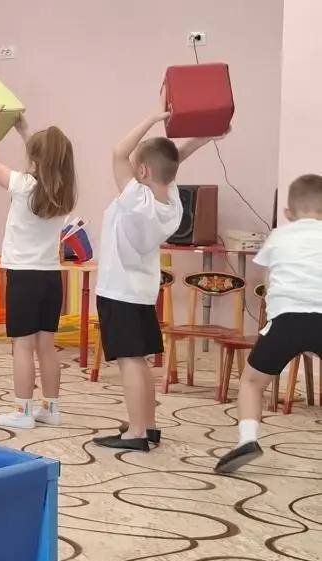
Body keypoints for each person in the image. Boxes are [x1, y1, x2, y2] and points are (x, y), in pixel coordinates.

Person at [92, 94, 216, 451]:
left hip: (119, 291)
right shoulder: (171, 203)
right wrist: (205, 136)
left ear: (143, 172)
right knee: (140, 360)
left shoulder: (137, 201)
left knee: (129, 361)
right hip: (142, 292)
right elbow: (171, 162)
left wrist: (152, 119)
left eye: (136, 166)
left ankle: (136, 433)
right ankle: (147, 426)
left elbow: (118, 152)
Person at [0, 102, 77, 429]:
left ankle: (23, 412)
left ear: (36, 158)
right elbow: (47, 160)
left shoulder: (23, 184)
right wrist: (24, 131)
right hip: (50, 278)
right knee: (46, 345)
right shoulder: (62, 192)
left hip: (24, 276)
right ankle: (51, 408)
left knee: (22, 345)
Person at [215, 174, 322, 474]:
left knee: (252, 382)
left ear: (288, 212)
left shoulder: (278, 236)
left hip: (286, 321)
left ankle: (247, 440)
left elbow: (265, 281)